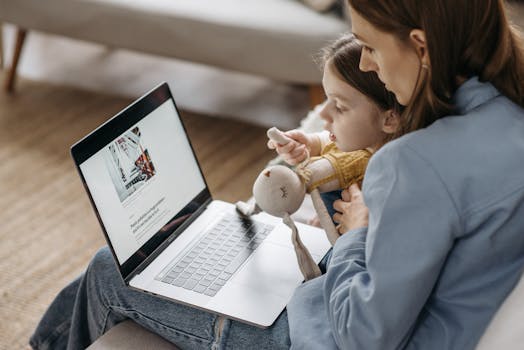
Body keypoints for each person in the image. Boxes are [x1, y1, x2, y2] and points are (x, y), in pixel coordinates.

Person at [30, 1, 524, 349]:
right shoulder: (509, 114)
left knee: (110, 270)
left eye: (370, 47)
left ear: (420, 46)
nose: (368, 63)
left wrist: (356, 237)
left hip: (315, 333)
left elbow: (362, 338)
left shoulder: (415, 163)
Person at [268, 33, 402, 226]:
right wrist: (310, 144)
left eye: (339, 106)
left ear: (389, 119)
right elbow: (333, 142)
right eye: (326, 98)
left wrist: (350, 233)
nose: (322, 113)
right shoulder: (370, 141)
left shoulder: (394, 183)